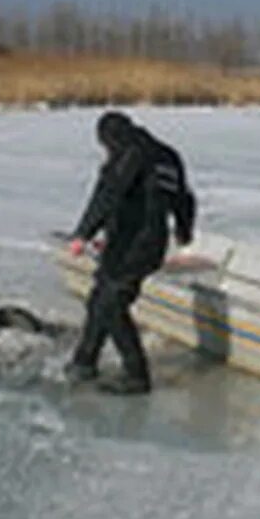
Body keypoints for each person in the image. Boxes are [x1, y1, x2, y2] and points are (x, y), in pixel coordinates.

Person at [64, 111, 196, 394]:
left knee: (111, 304)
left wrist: (83, 234)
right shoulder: (167, 155)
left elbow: (108, 194)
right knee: (101, 297)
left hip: (130, 243)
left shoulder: (128, 153)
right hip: (149, 242)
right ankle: (84, 361)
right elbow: (184, 198)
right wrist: (184, 230)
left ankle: (136, 375)